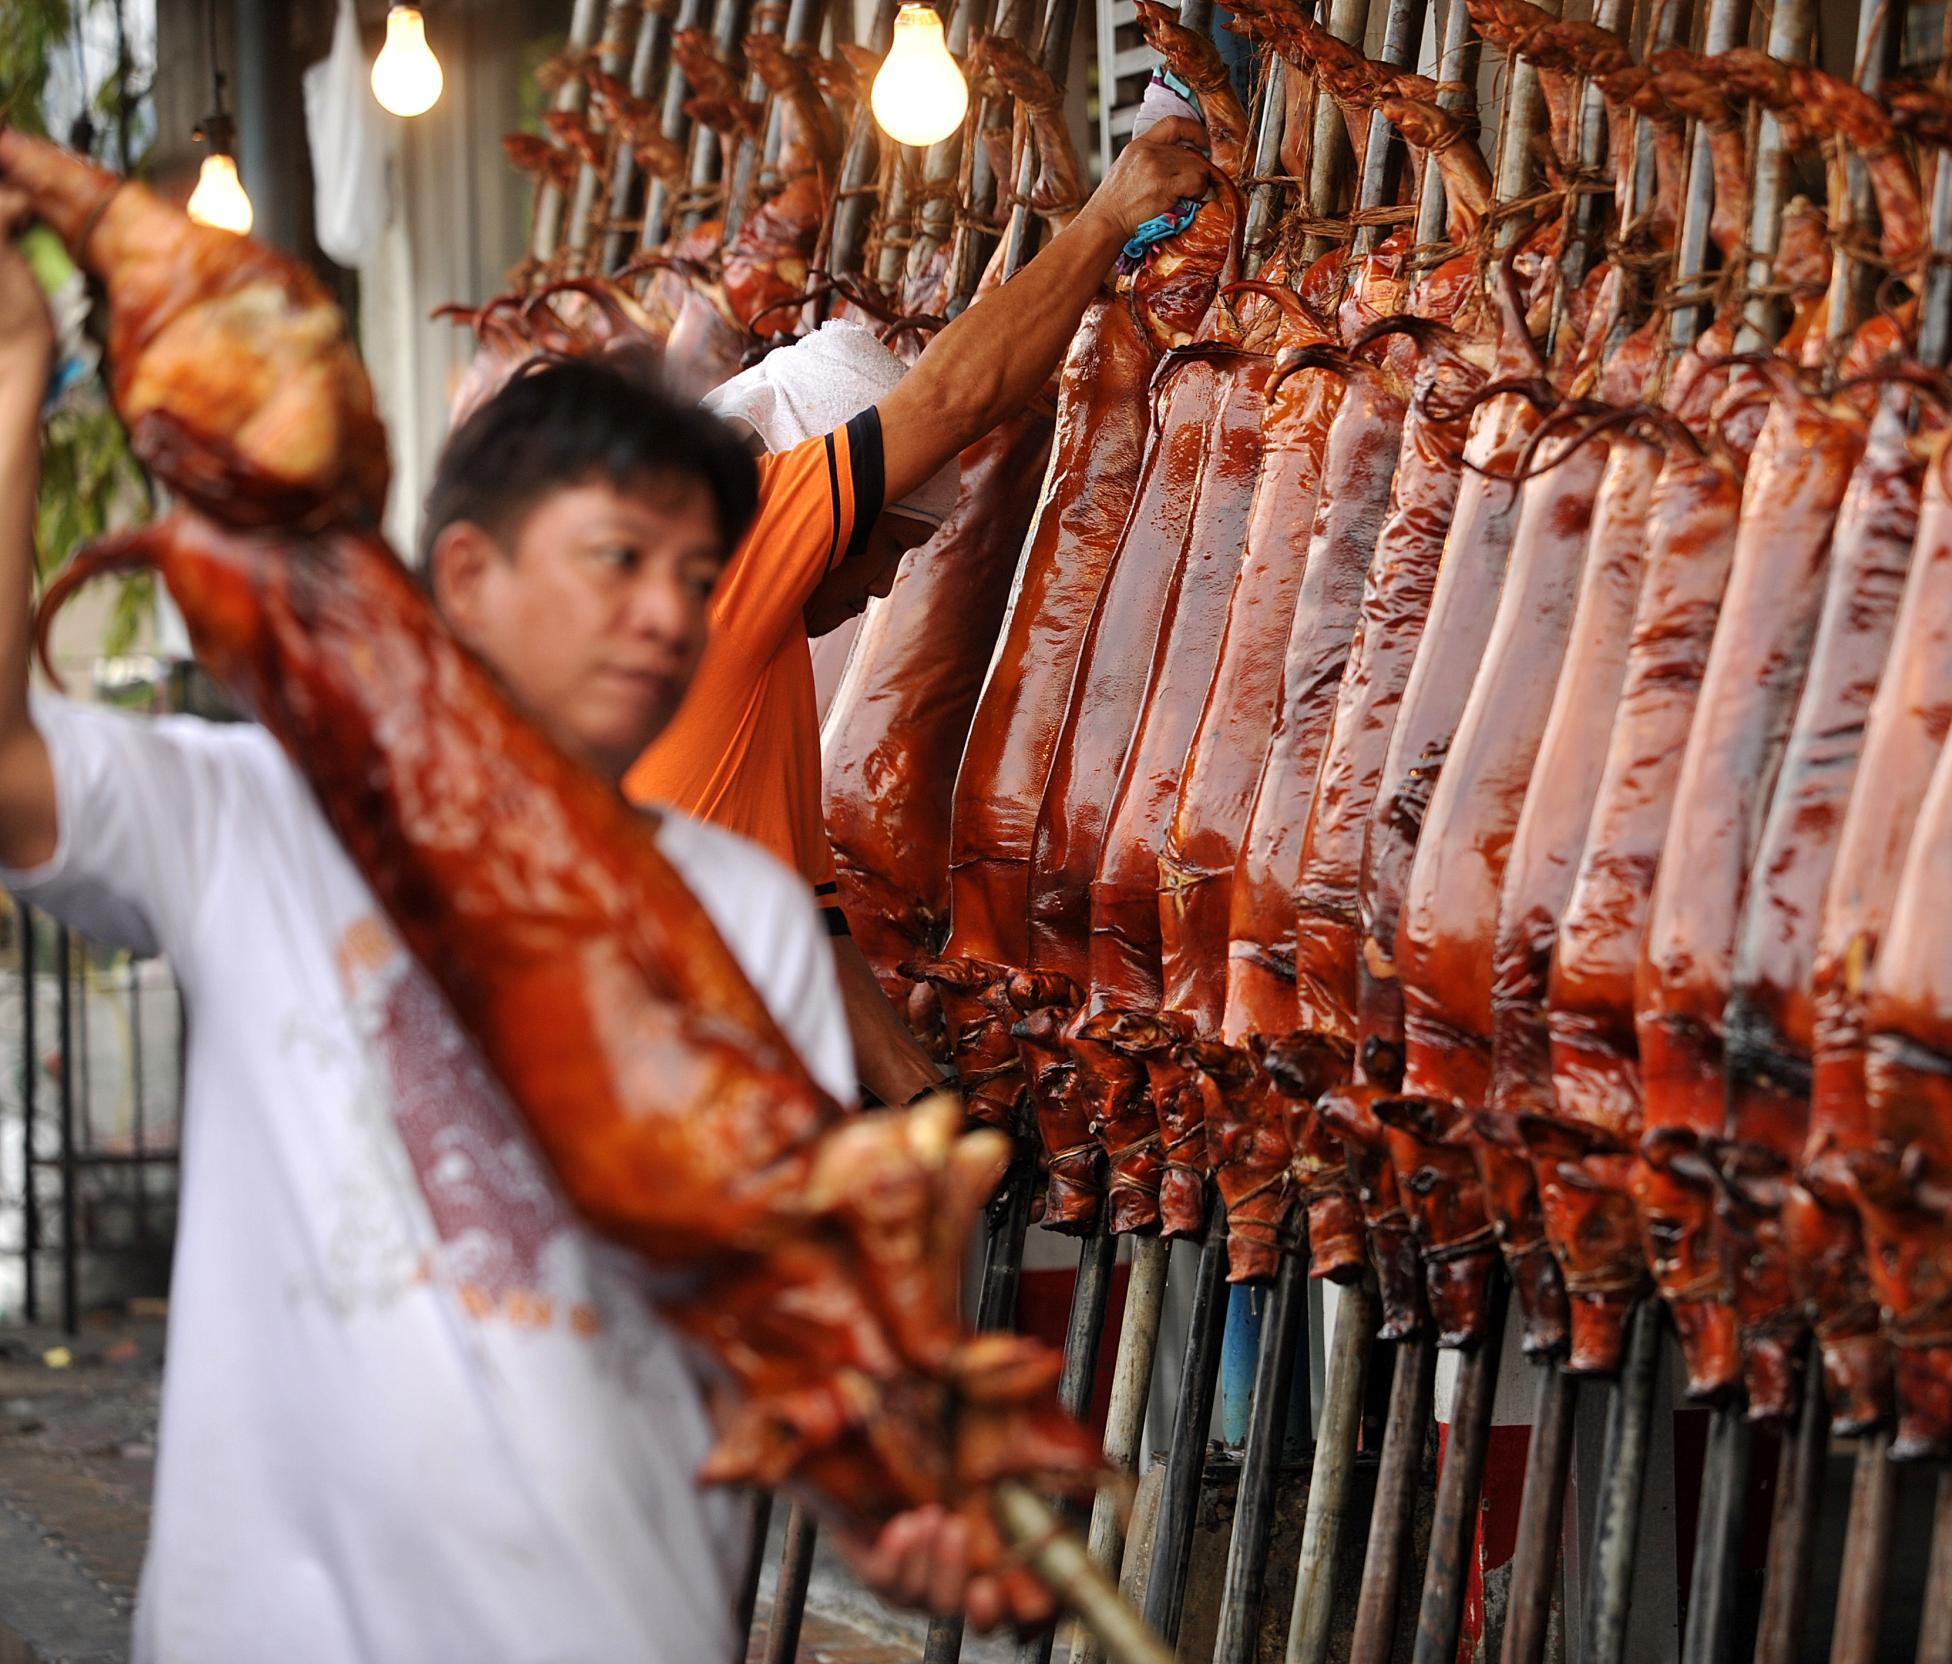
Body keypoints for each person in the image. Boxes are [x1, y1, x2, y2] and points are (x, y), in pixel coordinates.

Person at [0, 208, 986, 1659]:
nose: (666, 617)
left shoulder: (751, 916)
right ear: (465, 579)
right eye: (618, 561)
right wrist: (19, 369)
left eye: (697, 578)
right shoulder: (269, 821)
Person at [622, 117, 1212, 1107]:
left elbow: (816, 929)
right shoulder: (727, 534)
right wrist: (1109, 215)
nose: (887, 583)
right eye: (890, 540)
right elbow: (953, 397)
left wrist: (922, 1104)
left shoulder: (761, 701)